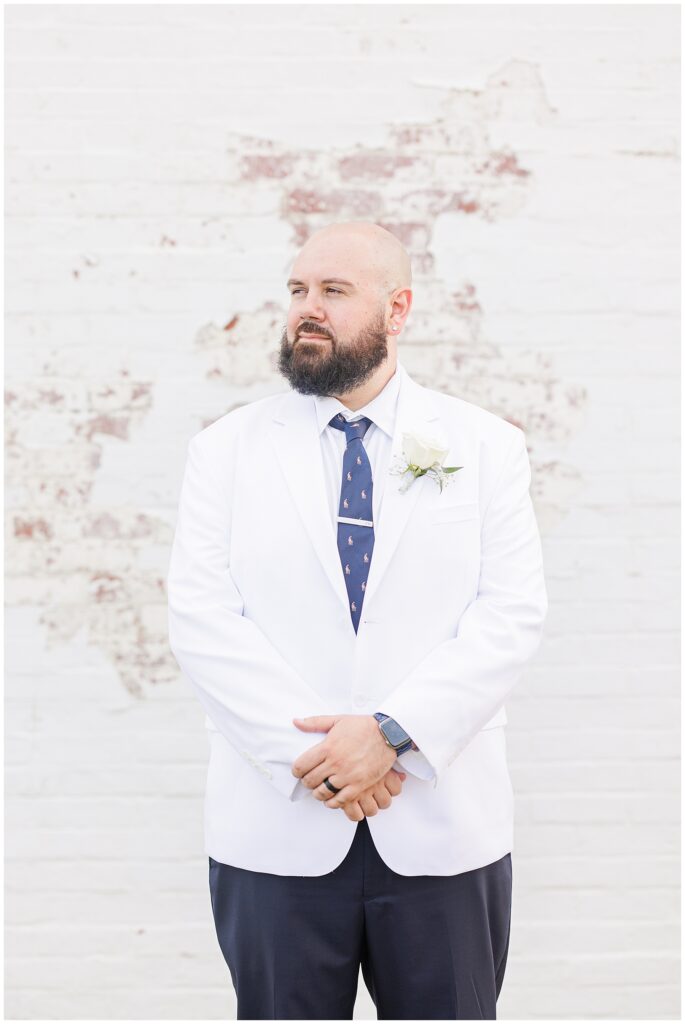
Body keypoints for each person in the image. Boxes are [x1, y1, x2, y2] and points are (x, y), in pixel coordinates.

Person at [167, 220, 548, 1020]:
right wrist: (332, 760)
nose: (308, 309)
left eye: (333, 292)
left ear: (396, 309)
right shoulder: (225, 450)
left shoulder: (482, 447)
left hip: (441, 830)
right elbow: (203, 621)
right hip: (278, 825)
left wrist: (392, 734)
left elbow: (509, 616)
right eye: (298, 291)